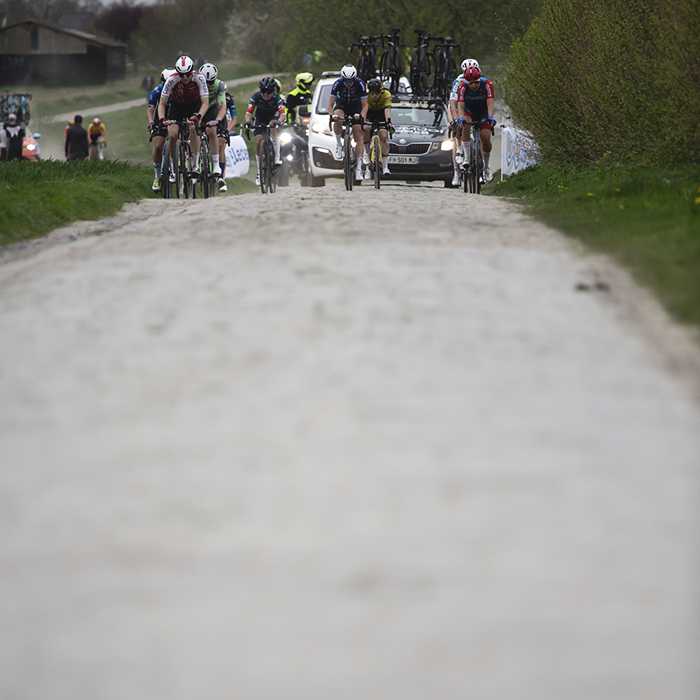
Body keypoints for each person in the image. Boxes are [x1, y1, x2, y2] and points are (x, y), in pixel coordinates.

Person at [158, 54, 209, 179]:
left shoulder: (199, 78)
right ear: (177, 73)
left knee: (193, 128)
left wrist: (199, 116)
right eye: (182, 75)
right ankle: (173, 166)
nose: (185, 77)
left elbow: (205, 102)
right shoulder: (172, 80)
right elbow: (162, 104)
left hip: (194, 105)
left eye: (188, 74)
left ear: (192, 71)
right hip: (177, 106)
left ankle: (195, 165)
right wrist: (161, 119)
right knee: (173, 135)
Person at [456, 64, 496, 182]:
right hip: (469, 111)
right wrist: (461, 118)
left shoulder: (487, 84)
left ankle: (487, 167)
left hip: (483, 111)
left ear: (480, 80)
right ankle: (467, 158)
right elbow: (460, 105)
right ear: (466, 82)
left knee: (485, 136)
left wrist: (490, 117)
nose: (473, 86)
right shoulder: (462, 87)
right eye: (470, 83)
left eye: (476, 83)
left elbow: (490, 104)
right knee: (465, 126)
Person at [244, 76, 286, 187]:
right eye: (263, 91)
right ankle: (259, 172)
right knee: (258, 140)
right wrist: (248, 122)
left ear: (273, 91)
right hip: (260, 117)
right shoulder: (256, 96)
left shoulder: (277, 98)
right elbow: (248, 113)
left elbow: (282, 114)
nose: (265, 94)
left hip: (273, 116)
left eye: (268, 91)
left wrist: (279, 122)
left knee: (273, 125)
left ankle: (277, 157)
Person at [328, 64, 368, 181]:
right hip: (342, 105)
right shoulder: (337, 84)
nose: (348, 83)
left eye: (351, 80)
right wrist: (332, 116)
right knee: (338, 118)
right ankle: (339, 145)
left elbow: (365, 105)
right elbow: (330, 105)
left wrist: (361, 117)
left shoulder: (360, 84)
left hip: (356, 107)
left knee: (357, 133)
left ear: (355, 78)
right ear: (342, 78)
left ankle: (359, 169)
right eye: (346, 80)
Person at [448, 58, 478, 186]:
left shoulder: (479, 79)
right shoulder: (458, 81)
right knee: (457, 136)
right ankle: (456, 172)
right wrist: (454, 120)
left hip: (473, 108)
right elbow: (452, 103)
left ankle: (480, 164)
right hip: (460, 108)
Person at [199, 63, 228, 182]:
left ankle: (216, 164)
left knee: (212, 130)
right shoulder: (196, 84)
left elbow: (222, 107)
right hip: (198, 108)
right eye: (206, 83)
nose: (208, 85)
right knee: (192, 131)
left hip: (211, 109)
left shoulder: (219, 85)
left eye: (211, 82)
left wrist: (217, 121)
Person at [147, 68, 175, 191]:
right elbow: (150, 110)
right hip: (161, 117)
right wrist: (151, 122)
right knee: (158, 146)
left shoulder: (179, 89)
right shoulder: (157, 90)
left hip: (175, 115)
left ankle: (179, 165)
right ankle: (157, 177)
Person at [362, 77, 392, 178]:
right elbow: (364, 109)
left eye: (377, 93)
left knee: (383, 136)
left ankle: (385, 167)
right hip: (369, 112)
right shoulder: (366, 96)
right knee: (366, 129)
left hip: (381, 112)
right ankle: (366, 152)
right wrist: (363, 122)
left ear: (381, 91)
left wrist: (388, 122)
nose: (374, 95)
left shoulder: (386, 94)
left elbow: (387, 110)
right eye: (372, 93)